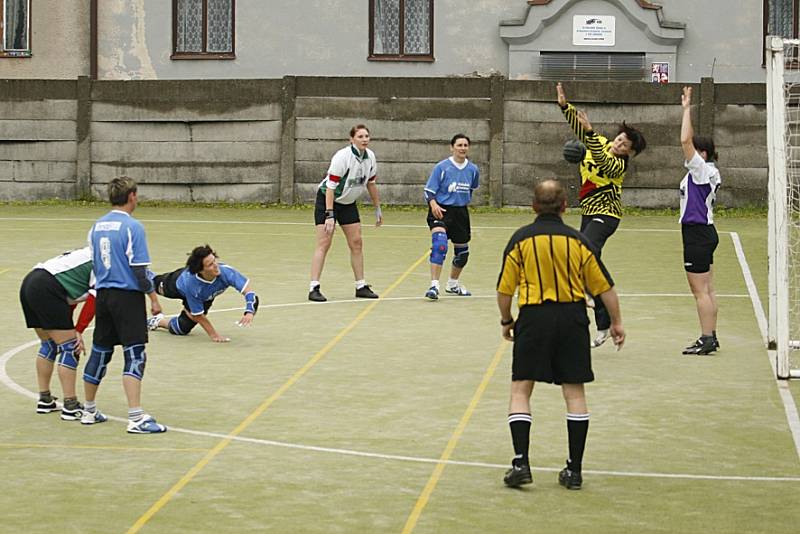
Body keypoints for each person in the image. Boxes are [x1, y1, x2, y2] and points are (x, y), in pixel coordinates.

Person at [496, 179, 625, 490]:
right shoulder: (579, 241)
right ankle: (574, 470)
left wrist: (506, 320)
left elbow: (504, 289)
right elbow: (604, 287)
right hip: (572, 319)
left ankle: (521, 462)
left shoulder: (520, 240)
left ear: (533, 206)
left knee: (520, 390)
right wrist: (617, 322)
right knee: (575, 392)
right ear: (566, 207)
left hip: (534, 318)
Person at [556, 82, 645, 348]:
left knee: (584, 251)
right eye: (619, 139)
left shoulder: (617, 164)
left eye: (624, 144)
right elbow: (581, 129)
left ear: (629, 152)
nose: (618, 143)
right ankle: (603, 323)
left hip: (606, 215)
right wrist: (564, 106)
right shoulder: (600, 143)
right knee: (587, 266)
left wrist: (592, 133)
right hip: (588, 213)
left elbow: (601, 159)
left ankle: (595, 293)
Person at [81, 176, 166, 434]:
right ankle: (136, 417)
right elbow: (139, 271)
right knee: (135, 354)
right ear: (132, 196)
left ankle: (89, 409)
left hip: (104, 295)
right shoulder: (133, 227)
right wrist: (153, 297)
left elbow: (94, 264)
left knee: (100, 351)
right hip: (127, 297)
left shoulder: (96, 227)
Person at [308, 124, 383, 302]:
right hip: (328, 200)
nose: (364, 139)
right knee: (324, 243)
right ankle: (314, 288)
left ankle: (361, 286)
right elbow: (330, 187)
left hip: (348, 204)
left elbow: (371, 184)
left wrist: (377, 207)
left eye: (367, 136)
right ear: (351, 139)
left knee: (356, 242)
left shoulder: (370, 157)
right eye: (360, 136)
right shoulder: (342, 157)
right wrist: (329, 214)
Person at [19, 247, 95, 420]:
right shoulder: (106, 261)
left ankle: (45, 399)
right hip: (47, 288)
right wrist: (78, 330)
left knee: (49, 344)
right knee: (70, 348)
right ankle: (70, 405)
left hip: (31, 281)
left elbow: (70, 295)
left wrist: (69, 325)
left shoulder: (85, 253)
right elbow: (94, 298)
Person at [679, 86, 722, 355]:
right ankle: (711, 335)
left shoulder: (701, 171)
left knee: (700, 292)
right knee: (708, 289)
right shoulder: (709, 172)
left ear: (702, 153)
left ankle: (706, 338)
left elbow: (685, 141)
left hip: (697, 233)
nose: (689, 152)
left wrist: (686, 109)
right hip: (704, 232)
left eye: (695, 150)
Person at [147, 245, 259, 342]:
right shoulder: (191, 284)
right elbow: (198, 316)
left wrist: (249, 312)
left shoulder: (226, 272)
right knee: (151, 284)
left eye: (214, 260)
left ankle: (157, 321)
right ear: (200, 270)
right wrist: (214, 335)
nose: (216, 265)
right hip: (176, 286)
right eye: (210, 264)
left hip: (204, 298)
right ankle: (143, 272)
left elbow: (250, 293)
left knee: (181, 329)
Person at [423, 133, 480, 300]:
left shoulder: (473, 170)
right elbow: (429, 191)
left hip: (460, 212)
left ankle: (453, 284)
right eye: (459, 145)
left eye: (465, 145)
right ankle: (434, 286)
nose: (462, 148)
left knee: (462, 254)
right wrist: (433, 205)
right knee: (440, 245)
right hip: (441, 210)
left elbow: (472, 189)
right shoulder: (442, 167)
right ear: (452, 147)